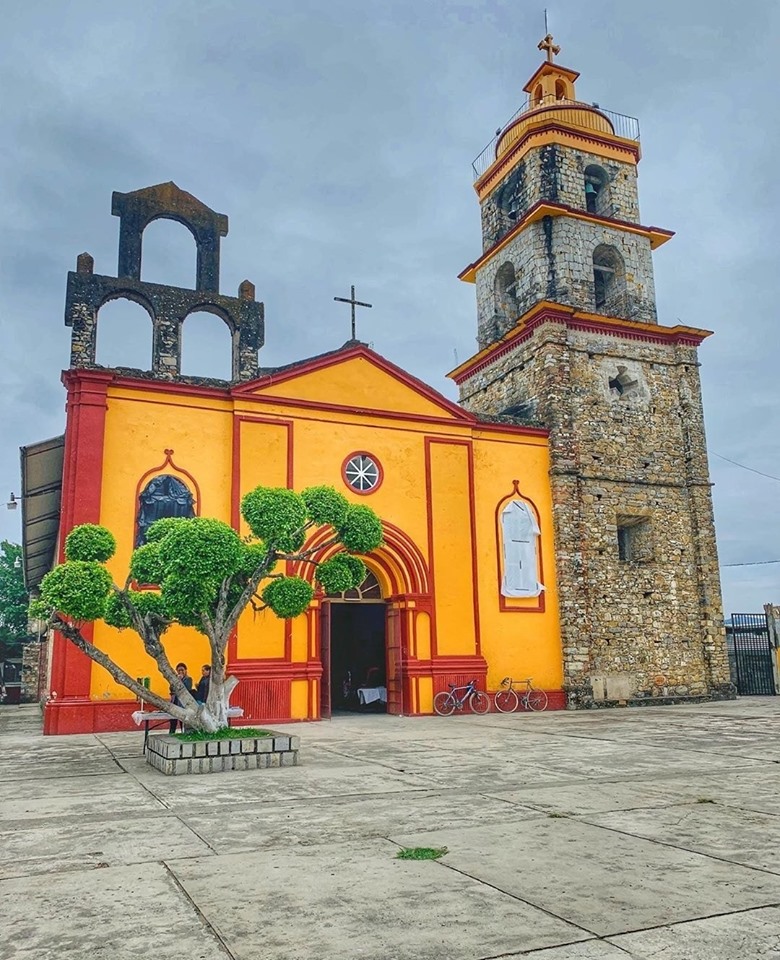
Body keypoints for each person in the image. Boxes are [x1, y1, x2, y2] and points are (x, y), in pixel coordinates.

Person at [169, 662, 194, 733]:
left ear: (186, 670)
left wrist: (180, 681)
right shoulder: (174, 678)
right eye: (179, 670)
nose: (180, 672)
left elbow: (187, 688)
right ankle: (171, 733)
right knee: (173, 720)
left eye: (182, 670)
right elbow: (171, 688)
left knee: (182, 721)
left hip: (183, 703)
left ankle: (183, 733)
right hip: (175, 702)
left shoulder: (189, 679)